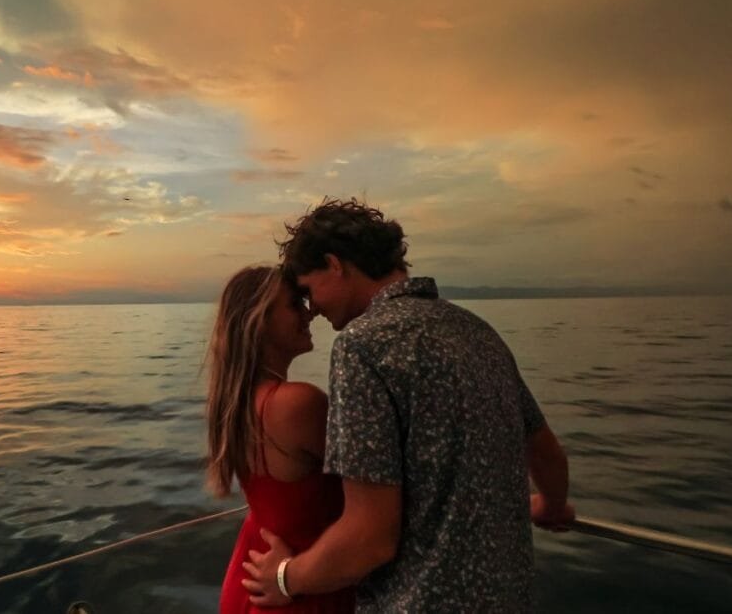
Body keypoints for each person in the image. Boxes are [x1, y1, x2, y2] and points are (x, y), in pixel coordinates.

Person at [242, 198, 575, 612]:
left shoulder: (362, 346)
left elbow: (370, 540)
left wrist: (284, 577)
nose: (313, 309)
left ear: (335, 264)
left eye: (309, 291)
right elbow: (548, 456)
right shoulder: (478, 332)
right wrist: (551, 505)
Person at [206, 265, 356, 613]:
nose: (309, 314)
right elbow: (380, 484)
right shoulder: (296, 404)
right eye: (294, 305)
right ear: (260, 323)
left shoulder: (236, 404)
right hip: (297, 587)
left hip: (252, 578)